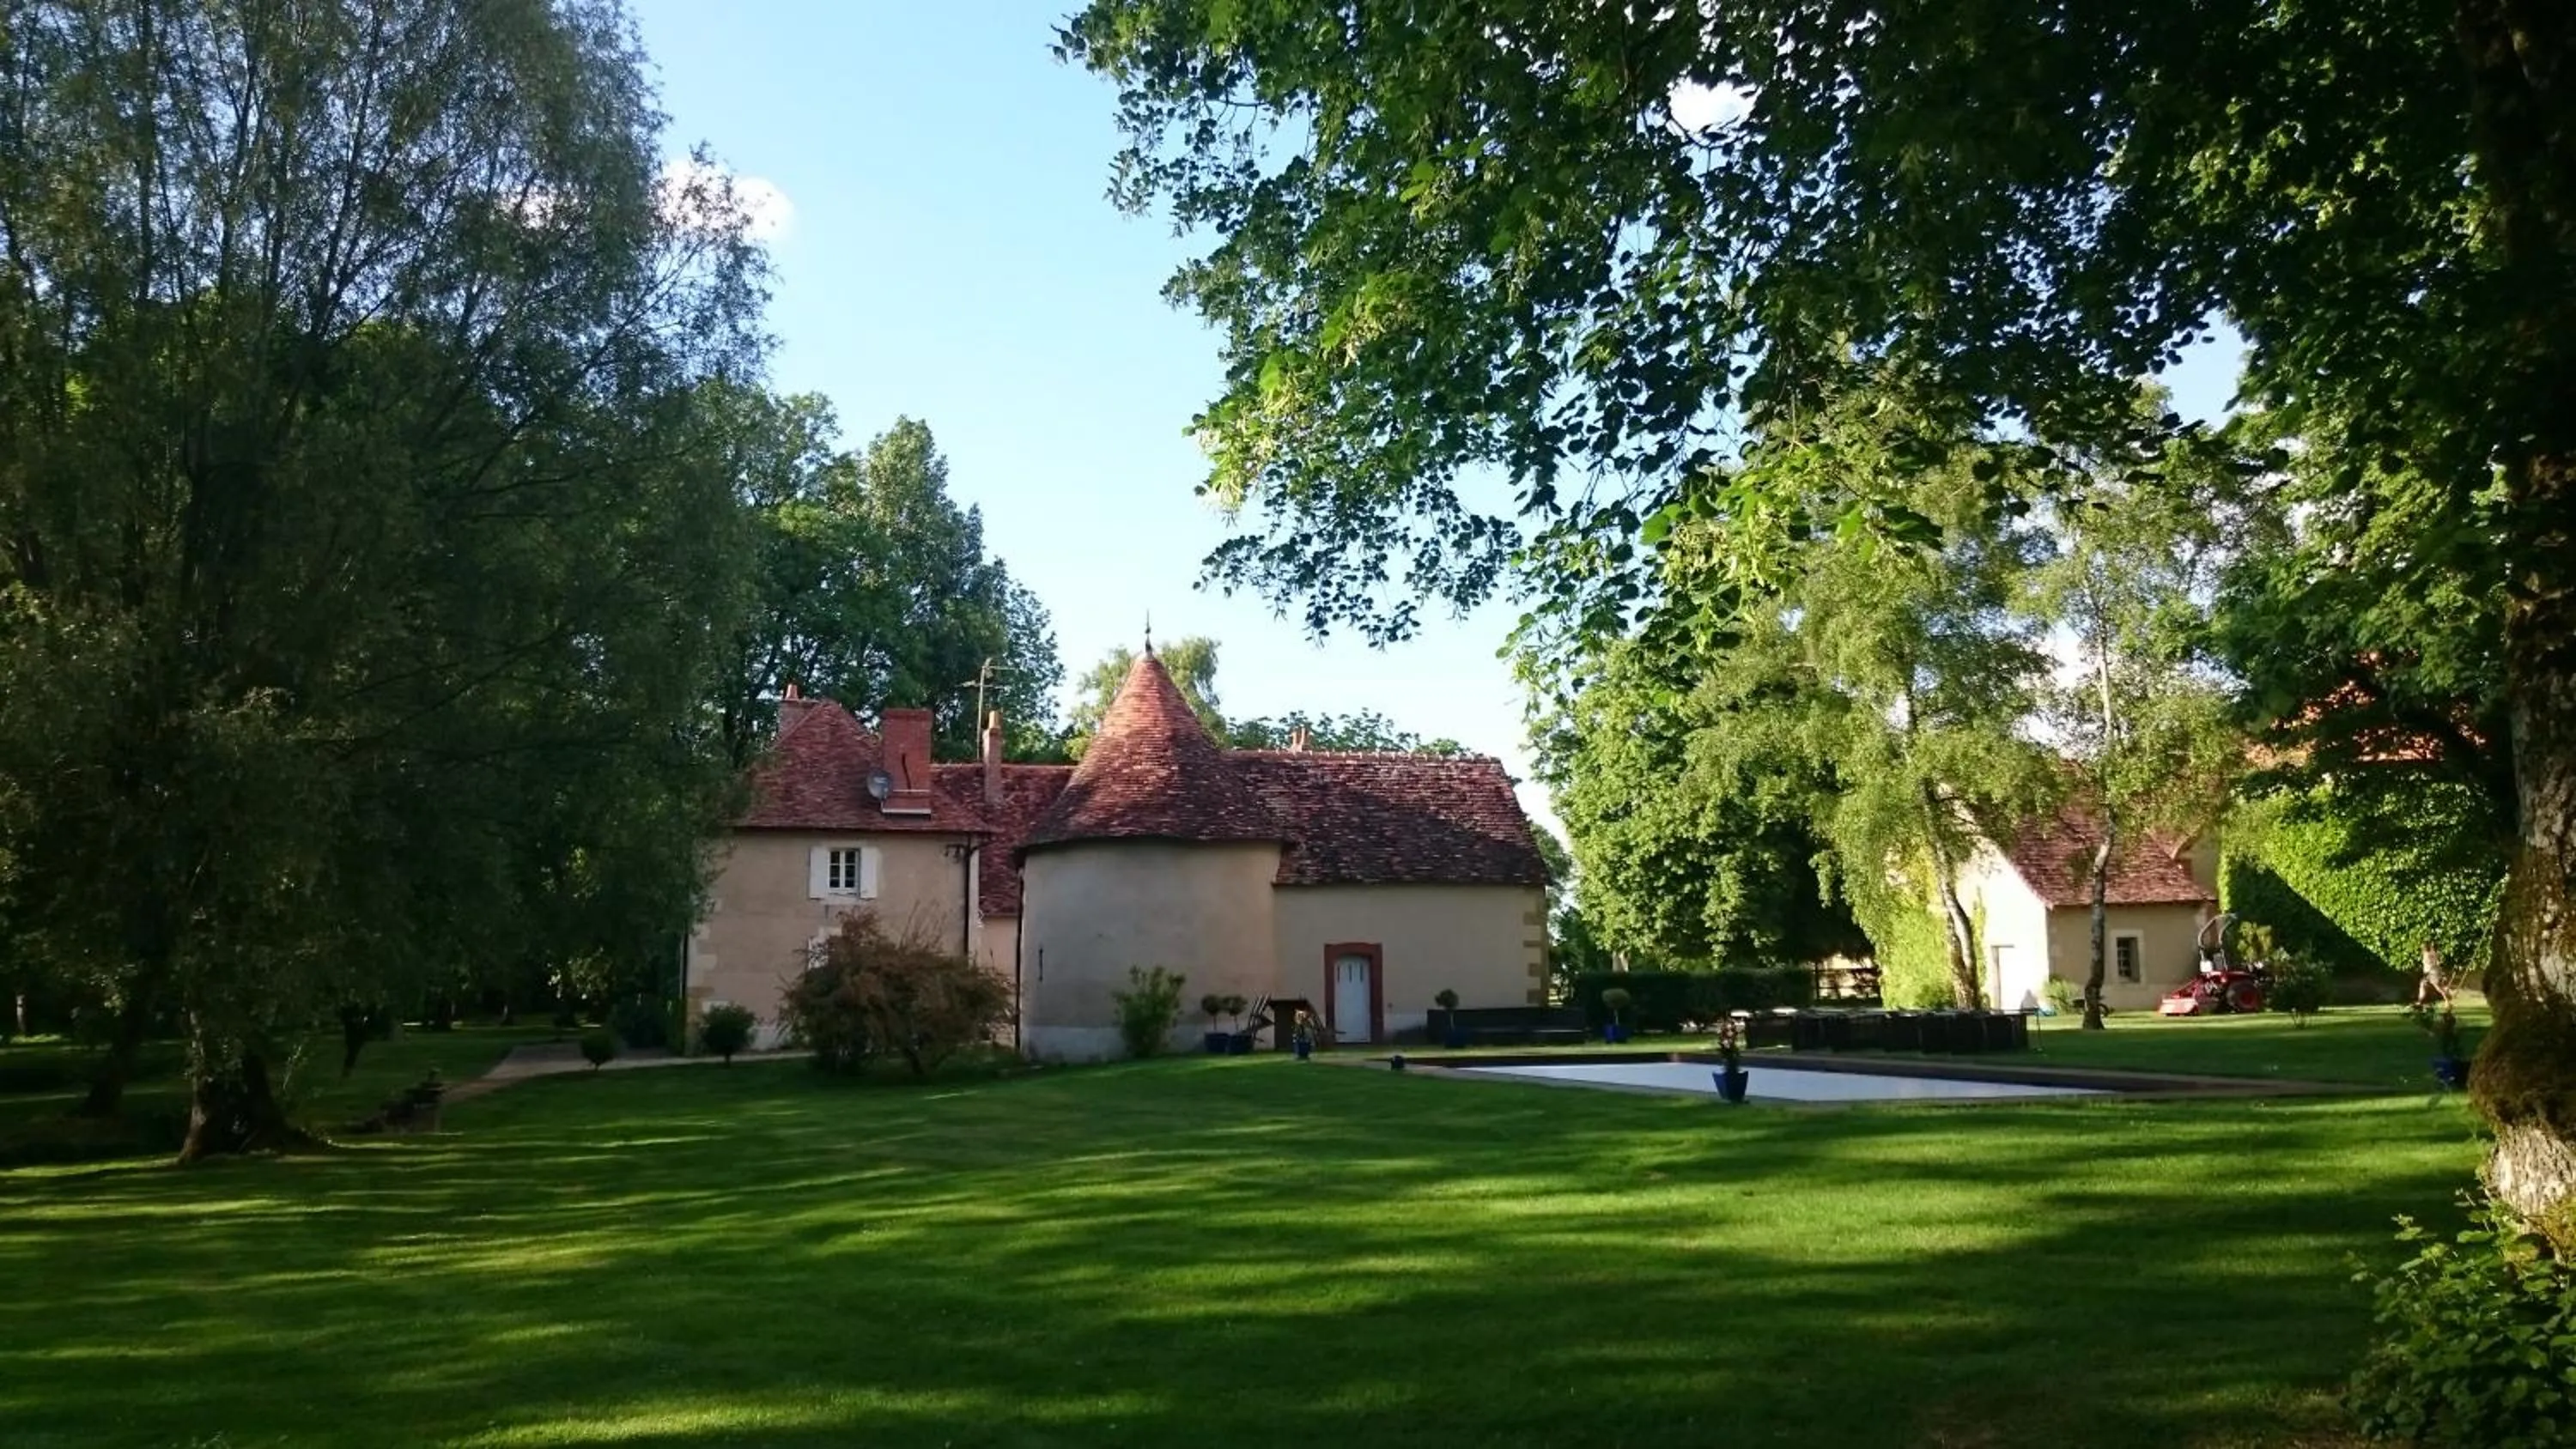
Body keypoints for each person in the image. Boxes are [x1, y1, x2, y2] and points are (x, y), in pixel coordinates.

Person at [2414, 940, 2456, 1012]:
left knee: (2438, 987)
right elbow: (2437, 962)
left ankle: (2447, 1000)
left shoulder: (2428, 953)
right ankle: (2420, 1002)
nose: (2422, 948)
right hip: (2430, 973)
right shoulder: (2432, 952)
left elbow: (2432, 962)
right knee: (2423, 985)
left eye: (2423, 946)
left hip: (2432, 972)